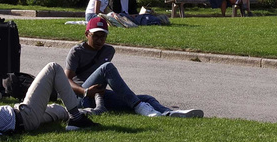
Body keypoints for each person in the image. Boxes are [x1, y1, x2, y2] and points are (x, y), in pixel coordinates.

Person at [66, 17, 201, 117]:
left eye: (103, 36)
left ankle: (169, 113)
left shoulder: (108, 50)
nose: (99, 40)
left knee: (146, 98)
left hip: (99, 95)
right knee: (107, 67)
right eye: (95, 36)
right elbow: (66, 80)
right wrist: (85, 91)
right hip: (81, 97)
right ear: (86, 34)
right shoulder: (77, 51)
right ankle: (139, 107)